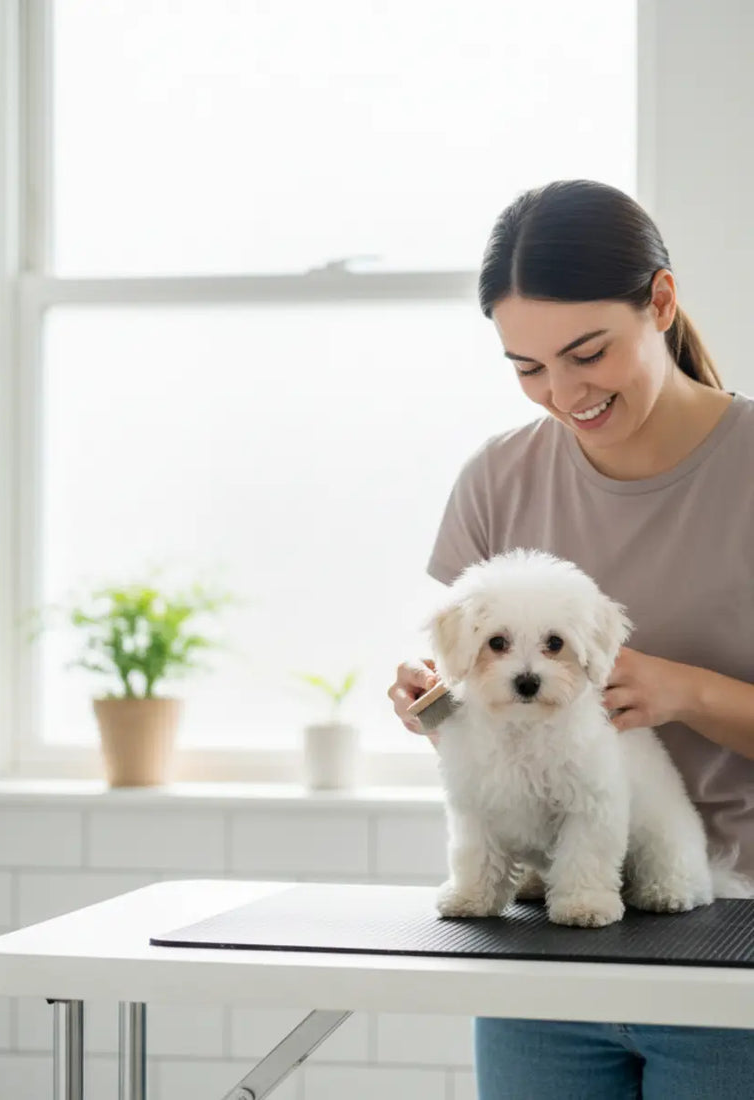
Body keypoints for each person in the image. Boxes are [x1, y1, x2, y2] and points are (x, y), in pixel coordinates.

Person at [388, 179, 754, 1099]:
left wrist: (689, 693)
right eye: (528, 367)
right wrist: (435, 705)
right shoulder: (497, 480)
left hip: (736, 937)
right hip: (544, 949)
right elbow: (484, 687)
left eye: (587, 353)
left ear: (660, 304)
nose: (565, 393)